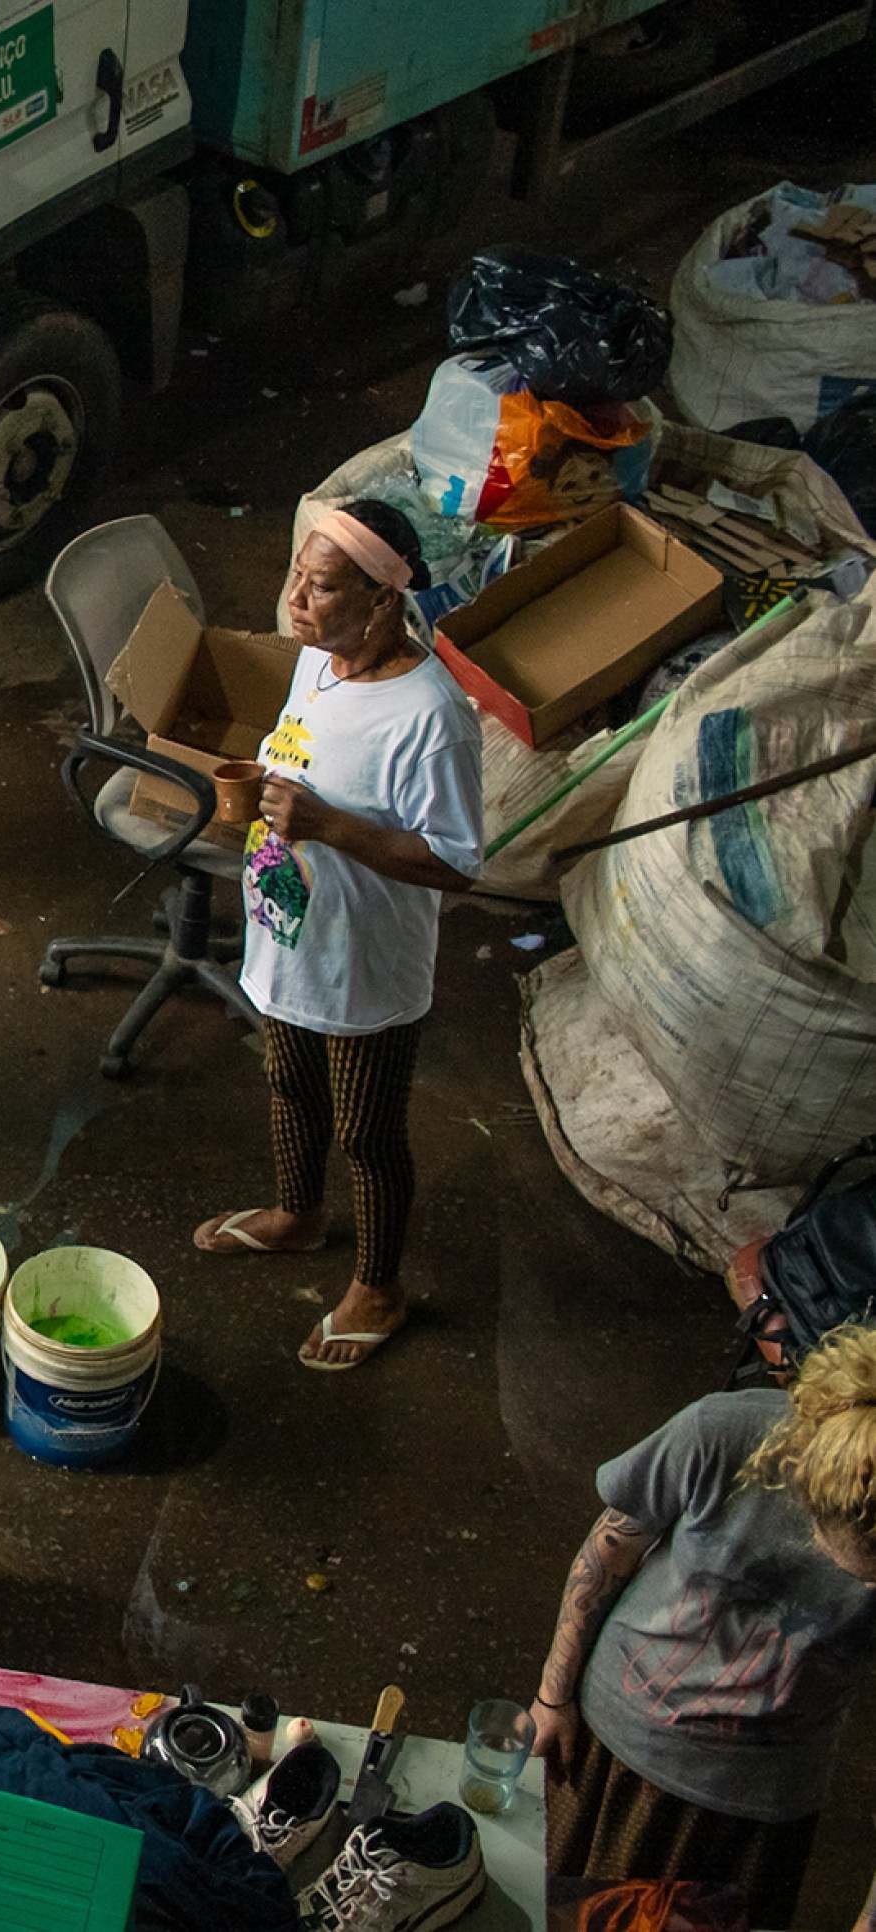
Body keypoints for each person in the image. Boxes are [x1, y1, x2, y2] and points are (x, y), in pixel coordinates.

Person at [188, 498, 483, 1371]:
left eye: (319, 587)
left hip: (364, 967)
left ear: (382, 599)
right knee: (287, 1083)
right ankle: (297, 1214)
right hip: (289, 938)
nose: (295, 599)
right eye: (296, 575)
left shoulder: (429, 716)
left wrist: (328, 827)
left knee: (366, 1132)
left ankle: (379, 1287)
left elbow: (456, 862)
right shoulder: (317, 662)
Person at [529, 1327, 876, 1929]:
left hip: (764, 1797)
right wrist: (553, 1696)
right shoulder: (720, 1432)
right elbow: (609, 1551)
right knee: (561, 1913)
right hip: (621, 1748)